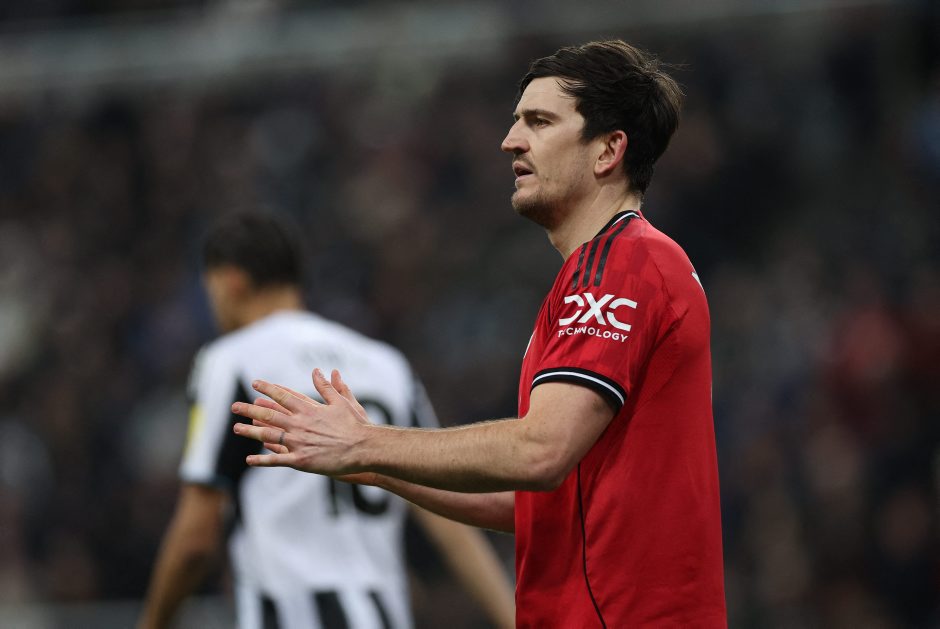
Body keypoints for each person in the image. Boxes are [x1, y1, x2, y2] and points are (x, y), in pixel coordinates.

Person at [232, 40, 726, 627]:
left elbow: (540, 451)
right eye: (517, 121)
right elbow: (536, 502)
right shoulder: (613, 269)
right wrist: (372, 464)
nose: (510, 140)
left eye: (539, 122)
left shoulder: (618, 265)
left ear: (608, 151)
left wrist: (366, 441)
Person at [138, 212, 515, 629]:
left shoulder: (230, 360)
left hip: (290, 613)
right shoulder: (387, 363)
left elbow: (195, 536)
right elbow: (450, 520)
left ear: (231, 282)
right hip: (384, 614)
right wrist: (512, 618)